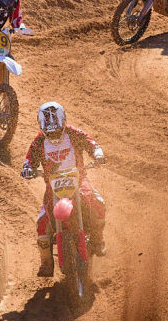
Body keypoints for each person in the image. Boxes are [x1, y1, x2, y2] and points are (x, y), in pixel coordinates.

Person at [20, 101, 107, 276]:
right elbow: (29, 160)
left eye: (57, 131)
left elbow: (90, 142)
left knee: (98, 203)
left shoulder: (73, 134)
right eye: (49, 132)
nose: (53, 136)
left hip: (79, 180)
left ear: (64, 123)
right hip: (53, 187)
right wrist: (27, 168)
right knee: (42, 224)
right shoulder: (39, 142)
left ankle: (97, 240)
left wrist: (97, 152)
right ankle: (46, 263)